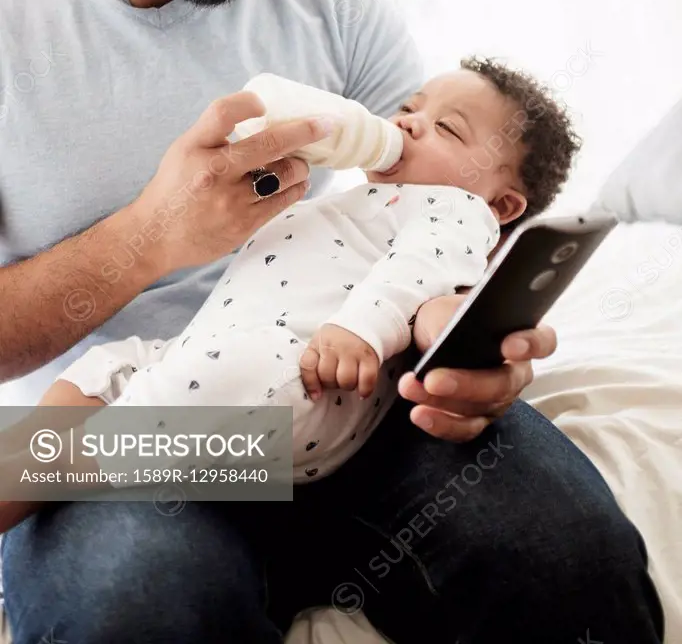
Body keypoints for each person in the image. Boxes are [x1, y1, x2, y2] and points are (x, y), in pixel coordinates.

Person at [0, 0, 664, 644]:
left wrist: (474, 348)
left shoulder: (329, 0)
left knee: (566, 561)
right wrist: (149, 238)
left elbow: (443, 209)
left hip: (355, 400)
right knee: (139, 605)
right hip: (143, 425)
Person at [0, 59, 579, 513]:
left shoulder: (457, 211)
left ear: (501, 204)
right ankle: (33, 459)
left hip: (296, 375)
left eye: (446, 129)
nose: (406, 123)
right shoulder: (365, 203)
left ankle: (42, 473)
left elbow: (420, 275)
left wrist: (362, 329)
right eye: (410, 107)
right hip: (217, 356)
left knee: (181, 399)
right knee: (109, 367)